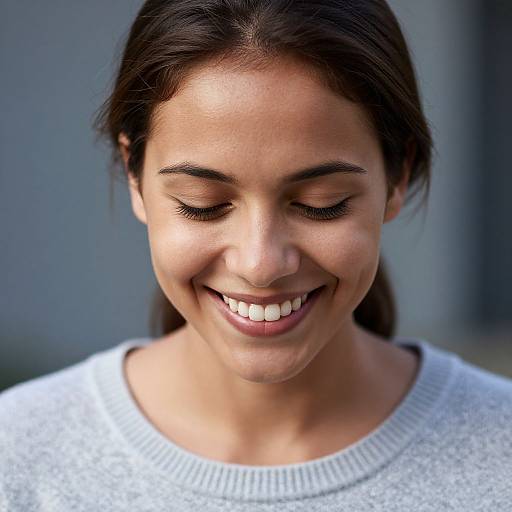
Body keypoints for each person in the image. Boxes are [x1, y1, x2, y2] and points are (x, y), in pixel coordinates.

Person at [1, 0, 511, 510]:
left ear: (398, 177)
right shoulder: (20, 454)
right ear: (133, 174)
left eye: (322, 205)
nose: (260, 264)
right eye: (203, 206)